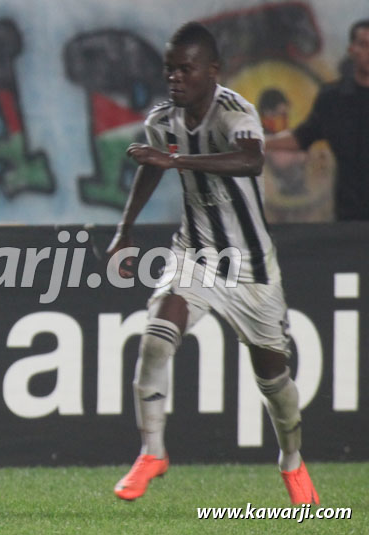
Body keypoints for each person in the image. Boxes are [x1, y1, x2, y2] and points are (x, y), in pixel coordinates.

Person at [106, 22, 318, 505]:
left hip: (252, 269)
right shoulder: (163, 118)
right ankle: (153, 451)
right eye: (169, 70)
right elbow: (150, 168)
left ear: (212, 71)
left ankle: (291, 460)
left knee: (274, 379)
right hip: (196, 253)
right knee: (156, 337)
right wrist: (125, 229)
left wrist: (174, 162)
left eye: (186, 69)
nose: (175, 78)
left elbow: (250, 161)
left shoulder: (234, 111)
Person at [264, 19, 369, 221]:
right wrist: (262, 143)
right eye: (364, 44)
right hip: (351, 211)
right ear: (352, 49)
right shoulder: (333, 98)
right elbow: (304, 137)